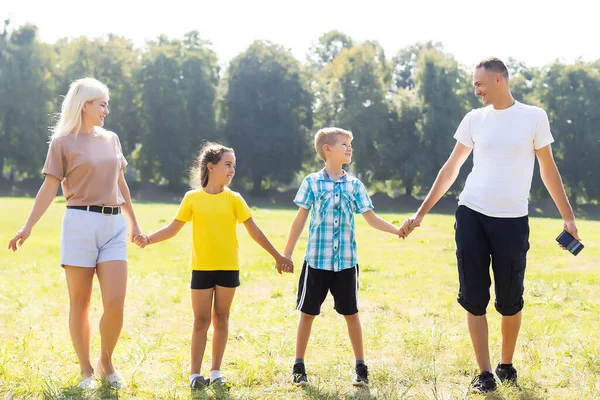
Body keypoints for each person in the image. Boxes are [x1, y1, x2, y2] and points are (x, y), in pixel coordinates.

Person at [399, 57, 581, 393]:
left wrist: (567, 216)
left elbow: (548, 169)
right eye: (474, 85)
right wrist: (422, 212)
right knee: (473, 296)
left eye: (480, 84)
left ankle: (506, 365)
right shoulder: (474, 120)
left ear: (500, 80)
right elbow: (451, 168)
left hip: (513, 220)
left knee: (511, 300)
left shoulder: (533, 117)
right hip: (472, 213)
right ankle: (484, 373)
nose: (476, 91)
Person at [7, 77, 143, 390]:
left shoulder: (112, 139)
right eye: (102, 104)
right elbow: (49, 186)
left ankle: (106, 361)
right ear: (84, 106)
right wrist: (27, 226)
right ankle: (86, 371)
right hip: (79, 224)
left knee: (116, 301)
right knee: (79, 302)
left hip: (113, 225)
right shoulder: (62, 143)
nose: (107, 110)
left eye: (106, 104)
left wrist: (134, 222)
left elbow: (121, 184)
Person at [133, 142, 293, 390]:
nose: (232, 170)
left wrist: (277, 256)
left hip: (228, 268)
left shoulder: (235, 200)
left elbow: (254, 231)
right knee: (200, 321)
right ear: (211, 166)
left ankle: (216, 371)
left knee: (221, 318)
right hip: (202, 269)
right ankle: (194, 375)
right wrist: (147, 239)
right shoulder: (192, 198)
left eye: (234, 166)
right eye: (228, 165)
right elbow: (173, 228)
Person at [283, 127, 401, 387]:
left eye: (350, 144)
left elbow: (371, 218)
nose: (349, 148)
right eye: (344, 144)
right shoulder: (312, 182)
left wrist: (397, 230)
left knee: (352, 314)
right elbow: (300, 219)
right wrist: (287, 253)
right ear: (327, 149)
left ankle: (361, 367)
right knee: (307, 313)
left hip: (346, 263)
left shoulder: (355, 185)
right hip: (316, 261)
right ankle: (298, 366)